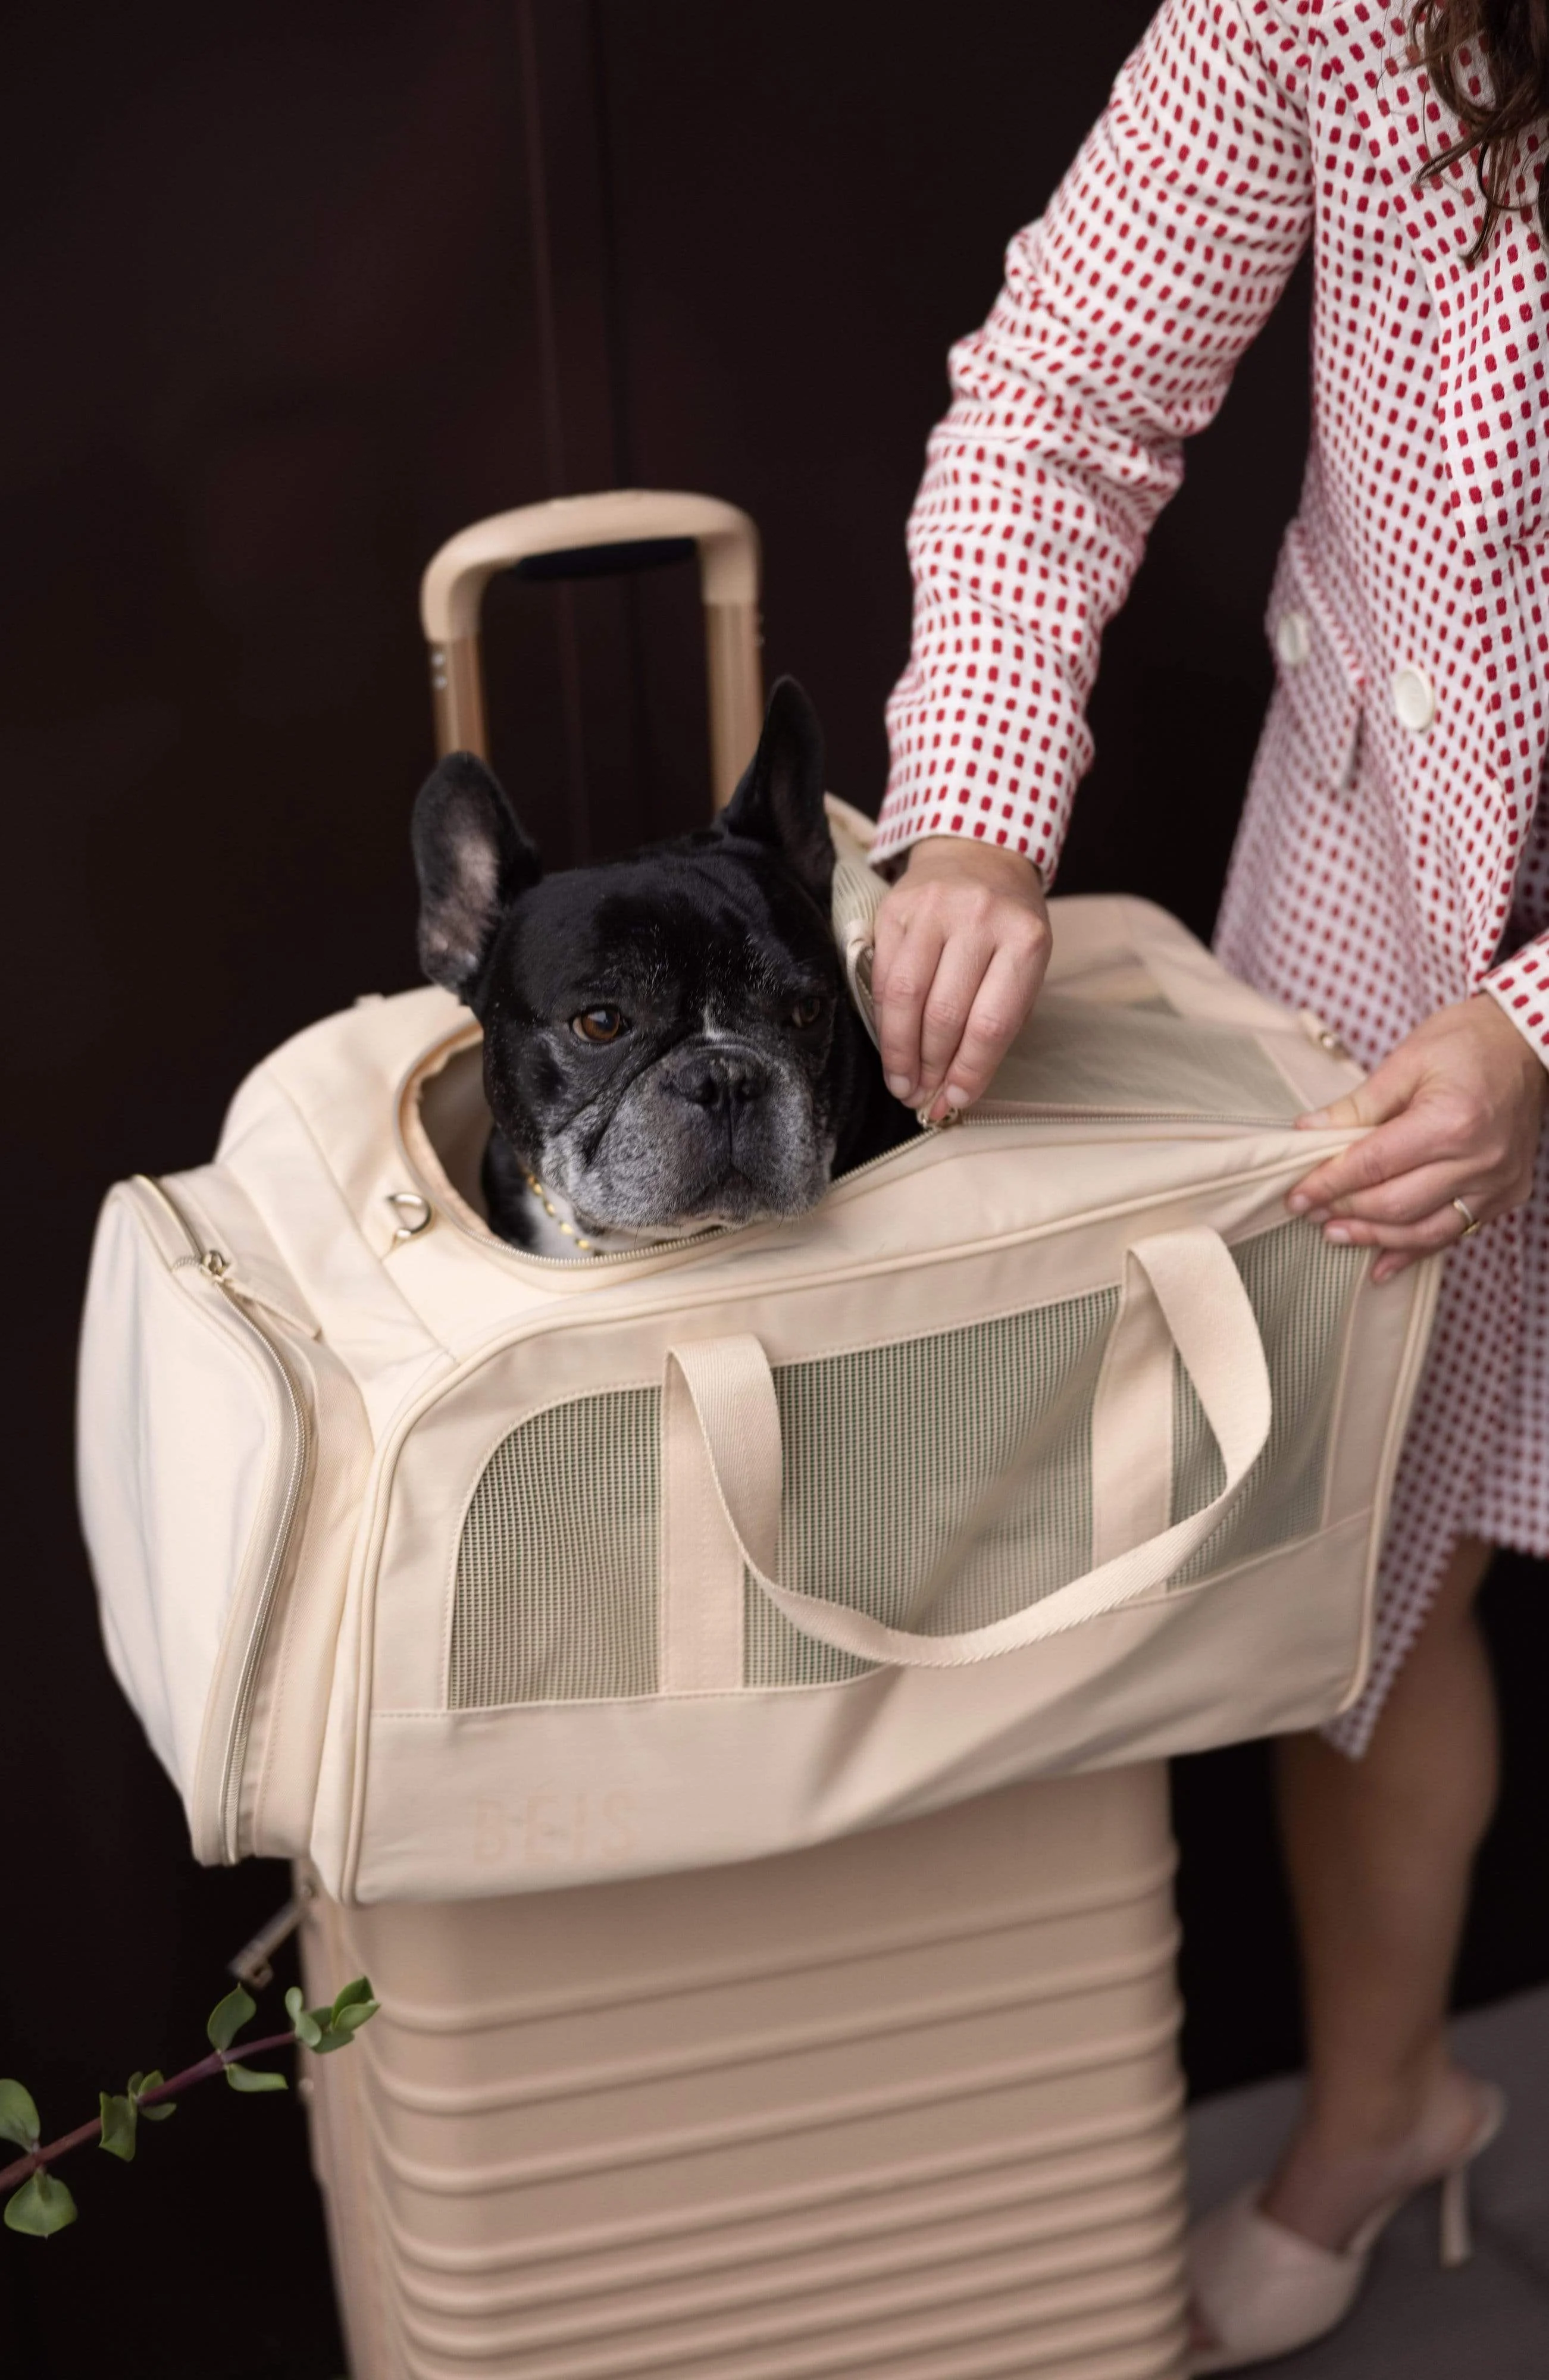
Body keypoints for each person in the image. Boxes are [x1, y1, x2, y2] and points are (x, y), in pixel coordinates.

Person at [866, 1, 1549, 2367]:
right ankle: (1381, 2110)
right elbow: (1064, 390)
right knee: (1351, 1576)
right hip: (1379, 899)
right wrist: (972, 809)